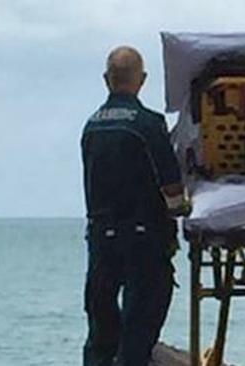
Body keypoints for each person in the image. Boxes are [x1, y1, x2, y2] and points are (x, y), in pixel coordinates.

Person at [81, 46, 186, 366]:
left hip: (101, 239)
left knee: (101, 333)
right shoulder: (148, 125)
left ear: (105, 80)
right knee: (138, 332)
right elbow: (172, 189)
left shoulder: (91, 127)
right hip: (143, 240)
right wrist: (183, 207)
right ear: (142, 80)